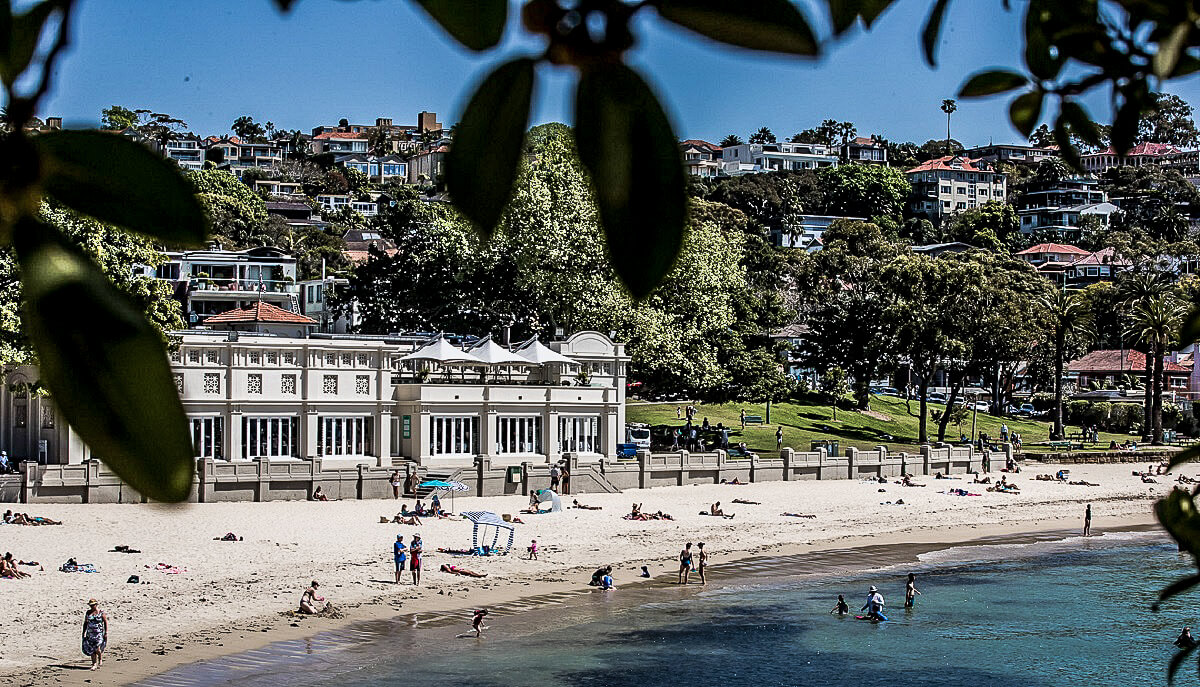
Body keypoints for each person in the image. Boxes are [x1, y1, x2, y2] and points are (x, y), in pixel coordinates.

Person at [81, 599, 107, 671]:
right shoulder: (88, 613)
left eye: (93, 605)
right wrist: (83, 632)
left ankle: (100, 657)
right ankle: (94, 664)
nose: (92, 606)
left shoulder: (101, 613)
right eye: (91, 605)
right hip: (90, 634)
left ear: (96, 605)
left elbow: (105, 622)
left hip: (98, 633)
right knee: (92, 649)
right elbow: (85, 623)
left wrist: (106, 632)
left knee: (97, 648)